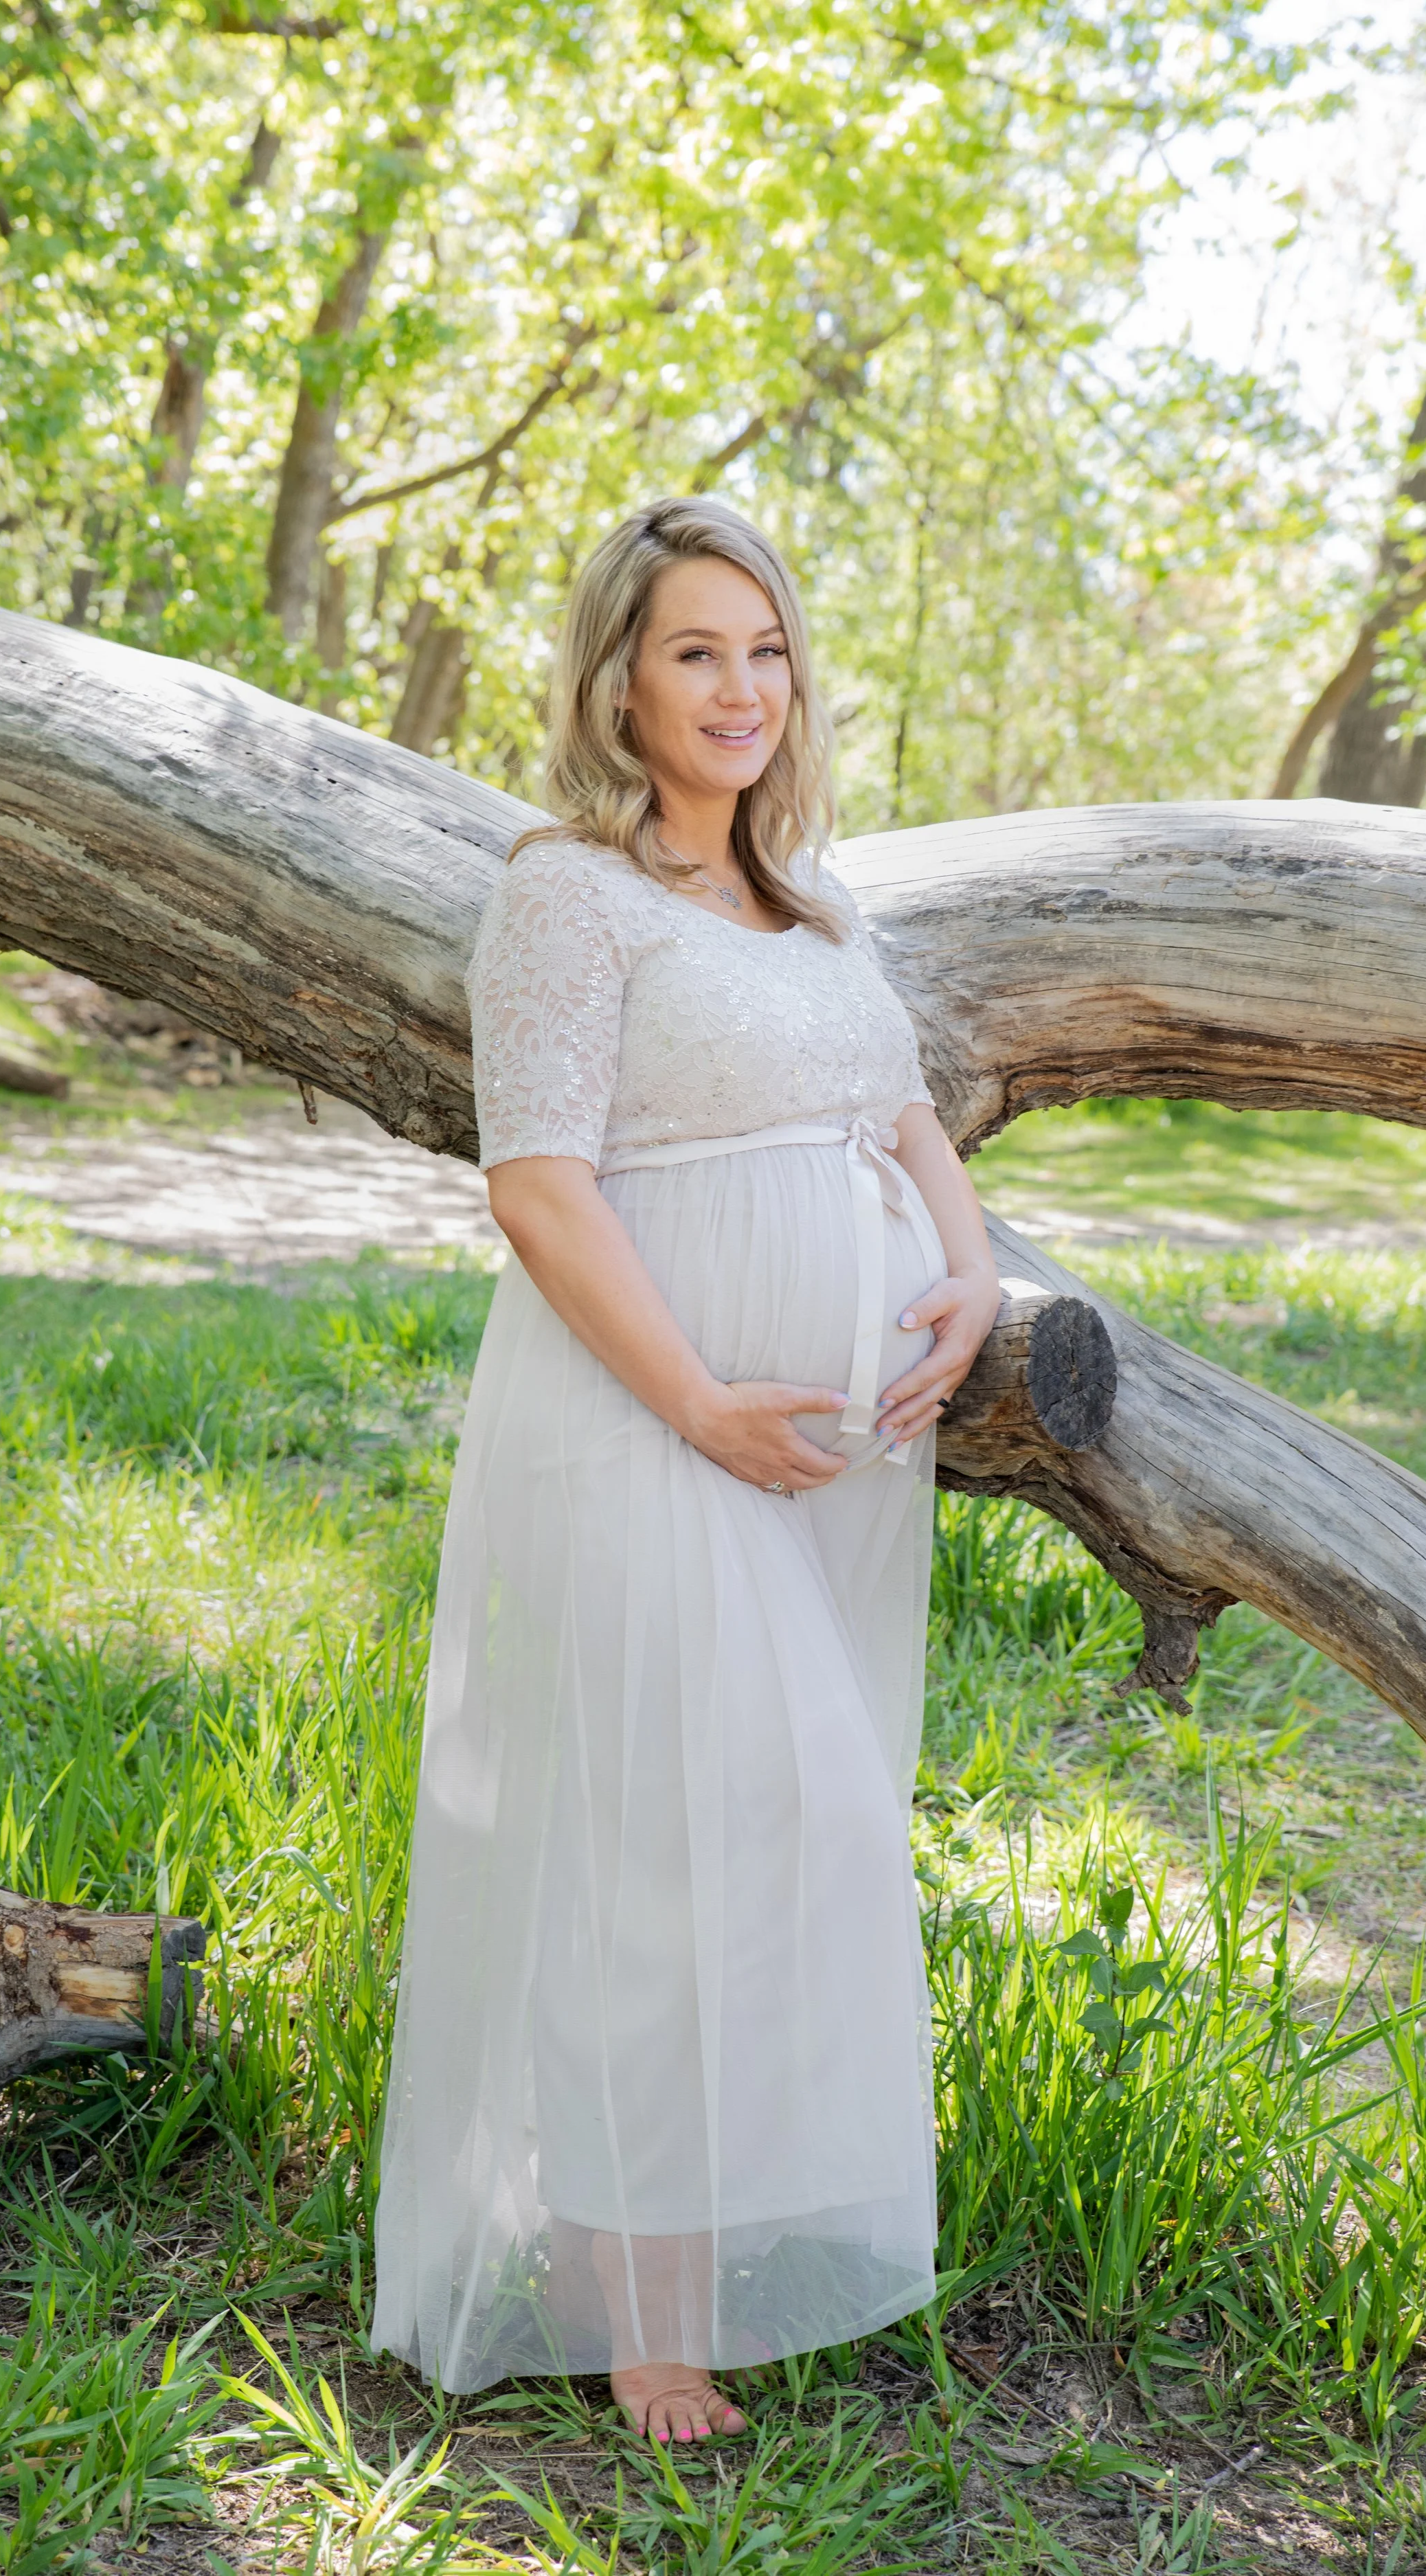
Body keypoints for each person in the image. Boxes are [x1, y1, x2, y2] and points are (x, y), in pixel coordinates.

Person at [370, 497, 1001, 2443]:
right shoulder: (567, 890)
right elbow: (540, 1184)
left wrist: (968, 1274)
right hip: (643, 1417)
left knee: (781, 1825)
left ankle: (692, 2228)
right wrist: (698, 1404)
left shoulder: (811, 906)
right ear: (619, 683)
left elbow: (899, 1118)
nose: (740, 688)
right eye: (693, 654)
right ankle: (638, 2313)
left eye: (765, 650)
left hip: (829, 1458)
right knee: (655, 1833)